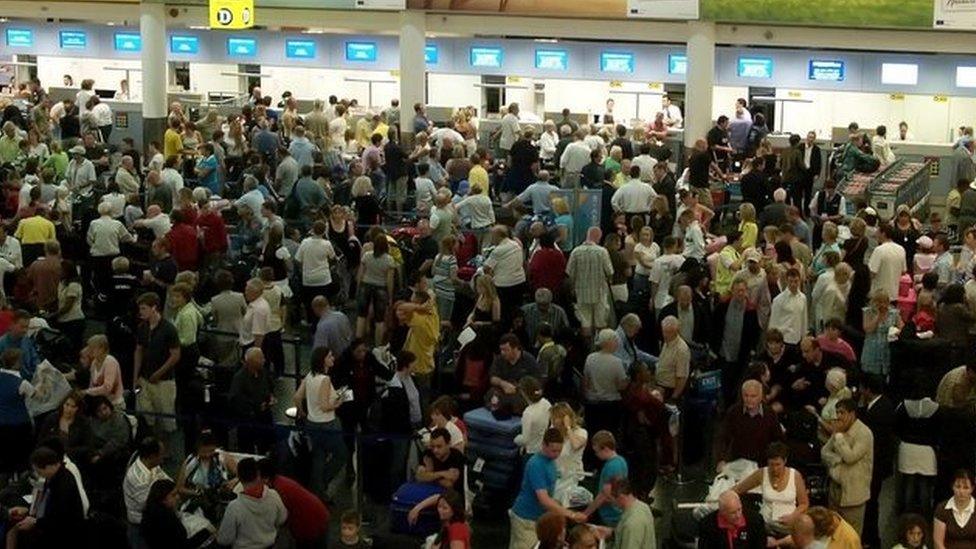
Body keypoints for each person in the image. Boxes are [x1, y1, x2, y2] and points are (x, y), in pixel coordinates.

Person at [509, 428, 587, 549]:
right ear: (543, 445)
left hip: (538, 519)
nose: (556, 454)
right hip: (525, 519)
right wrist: (571, 514)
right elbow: (544, 499)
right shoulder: (536, 464)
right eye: (553, 450)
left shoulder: (551, 461)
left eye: (559, 451)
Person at [10, 446, 86, 548]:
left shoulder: (64, 484)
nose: (40, 475)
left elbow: (61, 517)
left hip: (63, 535)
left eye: (40, 472)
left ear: (49, 466)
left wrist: (36, 522)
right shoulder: (53, 477)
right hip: (48, 526)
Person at [732, 442, 810, 538]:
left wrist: (793, 516)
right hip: (765, 526)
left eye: (778, 464)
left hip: (789, 527)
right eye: (771, 464)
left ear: (785, 461)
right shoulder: (761, 473)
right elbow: (738, 489)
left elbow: (804, 503)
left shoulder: (795, 475)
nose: (774, 468)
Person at [820, 398, 874, 536]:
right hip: (835, 492)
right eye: (837, 412)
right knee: (832, 534)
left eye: (842, 413)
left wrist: (838, 436)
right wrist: (837, 460)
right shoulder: (839, 430)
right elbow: (825, 452)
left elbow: (850, 457)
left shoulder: (864, 433)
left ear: (852, 414)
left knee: (851, 537)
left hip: (853, 496)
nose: (838, 416)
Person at [133, 292, 180, 435]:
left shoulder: (169, 329)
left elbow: (175, 355)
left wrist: (159, 373)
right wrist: (136, 376)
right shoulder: (143, 327)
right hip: (145, 378)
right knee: (146, 416)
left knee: (165, 418)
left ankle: (167, 451)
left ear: (154, 308)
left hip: (164, 381)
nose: (140, 312)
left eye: (143, 308)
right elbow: (139, 351)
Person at [257, 459, 330, 549]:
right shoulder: (280, 481)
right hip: (317, 517)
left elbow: (278, 519)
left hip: (311, 525)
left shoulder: (278, 491)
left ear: (266, 479)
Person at [216, 457, 288, 549]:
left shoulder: (235, 507)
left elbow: (225, 540)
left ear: (239, 478)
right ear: (258, 474)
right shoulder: (274, 495)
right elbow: (282, 518)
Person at [715, 380, 785, 472]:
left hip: (762, 464)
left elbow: (778, 440)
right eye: (746, 395)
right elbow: (722, 437)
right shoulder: (734, 412)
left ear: (761, 397)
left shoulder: (769, 414)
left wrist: (776, 460)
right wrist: (721, 459)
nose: (749, 399)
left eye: (753, 396)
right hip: (738, 461)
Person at [229, 347, 275, 454]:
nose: (264, 360)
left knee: (267, 445)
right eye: (261, 358)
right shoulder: (239, 378)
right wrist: (255, 407)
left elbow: (271, 387)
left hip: (265, 416)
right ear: (251, 362)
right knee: (247, 449)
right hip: (248, 420)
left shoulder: (264, 372)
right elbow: (235, 400)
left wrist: (271, 397)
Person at [581, 430, 628, 527]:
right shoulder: (621, 461)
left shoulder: (611, 466)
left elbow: (604, 495)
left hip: (609, 515)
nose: (596, 455)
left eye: (597, 451)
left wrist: (585, 514)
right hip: (618, 512)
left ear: (605, 449)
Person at [697, 490, 767, 549]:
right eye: (732, 513)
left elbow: (760, 546)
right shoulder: (707, 525)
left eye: (739, 509)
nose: (738, 515)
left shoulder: (755, 520)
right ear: (722, 512)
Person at [933, 469, 976, 549]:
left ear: (972, 489)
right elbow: (938, 542)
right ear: (952, 486)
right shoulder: (942, 509)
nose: (961, 491)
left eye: (966, 488)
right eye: (958, 487)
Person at [416, 426, 466, 493]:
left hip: (449, 496)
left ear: (448, 444)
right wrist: (442, 474)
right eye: (432, 446)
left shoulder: (456, 456)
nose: (435, 450)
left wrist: (429, 474)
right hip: (428, 492)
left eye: (439, 446)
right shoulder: (428, 454)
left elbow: (449, 484)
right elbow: (419, 477)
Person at [608, 478, 656, 549]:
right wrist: (612, 533)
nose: (611, 502)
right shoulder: (643, 506)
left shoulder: (631, 524)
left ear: (620, 497)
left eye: (611, 498)